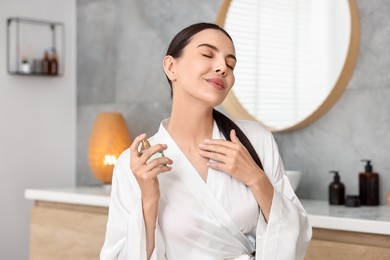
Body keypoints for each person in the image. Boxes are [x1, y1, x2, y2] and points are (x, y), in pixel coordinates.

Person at [100, 22, 312, 260]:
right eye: (207, 54)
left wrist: (256, 178)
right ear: (171, 67)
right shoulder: (136, 165)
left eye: (230, 64)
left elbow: (296, 233)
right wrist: (149, 201)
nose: (223, 67)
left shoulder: (255, 141)